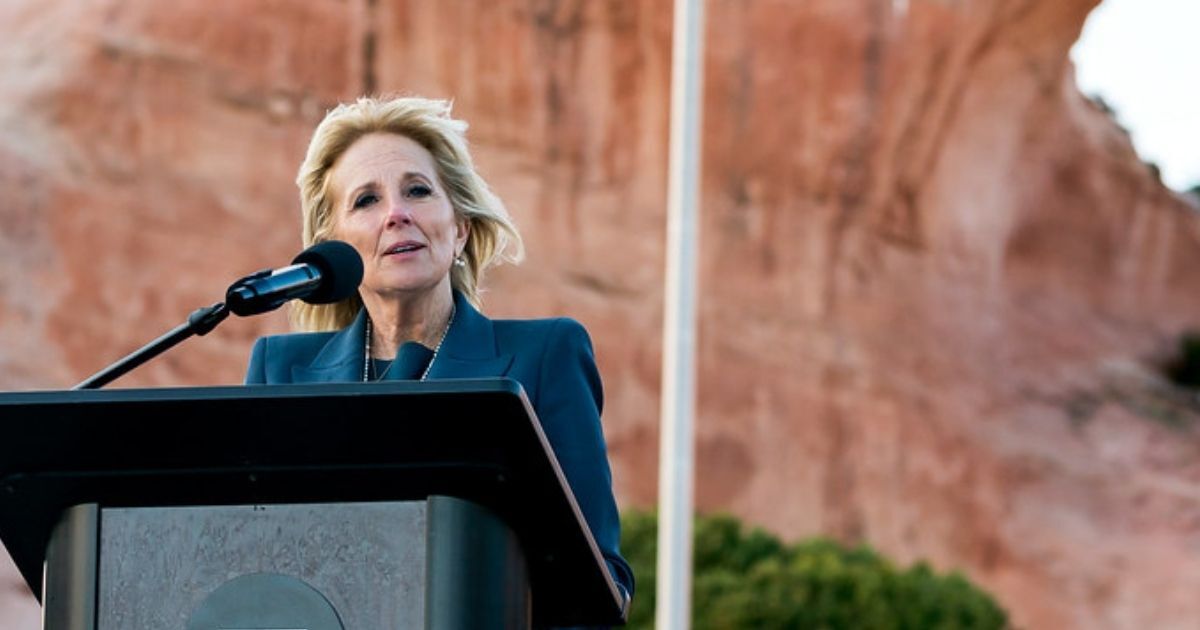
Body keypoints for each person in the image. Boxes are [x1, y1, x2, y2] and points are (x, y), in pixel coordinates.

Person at [244, 96, 634, 612]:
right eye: (365, 201)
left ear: (461, 229)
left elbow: (600, 581)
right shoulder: (281, 371)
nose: (397, 214)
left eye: (418, 191)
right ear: (334, 245)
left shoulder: (545, 355)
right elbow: (249, 561)